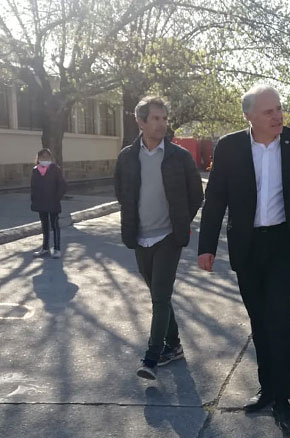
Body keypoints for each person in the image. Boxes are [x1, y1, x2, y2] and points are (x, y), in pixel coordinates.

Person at [197, 85, 290, 434]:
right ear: (250, 116)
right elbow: (215, 199)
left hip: (286, 244)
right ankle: (268, 388)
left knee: (281, 318)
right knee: (259, 319)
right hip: (248, 246)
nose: (278, 116)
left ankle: (284, 399)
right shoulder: (229, 147)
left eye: (280, 109)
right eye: (270, 111)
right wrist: (206, 246)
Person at [114, 96, 204, 380]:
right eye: (156, 118)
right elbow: (121, 192)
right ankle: (174, 345)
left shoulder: (180, 157)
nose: (162, 123)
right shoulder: (127, 157)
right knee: (159, 296)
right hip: (140, 237)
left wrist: (179, 222)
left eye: (164, 118)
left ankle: (152, 357)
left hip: (168, 237)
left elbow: (196, 196)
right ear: (141, 122)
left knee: (160, 296)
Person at [31, 148, 66, 259]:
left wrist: (57, 198)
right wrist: (34, 200)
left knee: (55, 225)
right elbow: (33, 187)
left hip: (53, 203)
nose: (44, 159)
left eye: (46, 157)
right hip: (41, 203)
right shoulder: (35, 170)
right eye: (42, 157)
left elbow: (62, 185)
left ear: (50, 158)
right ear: (38, 159)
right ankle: (45, 248)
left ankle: (57, 249)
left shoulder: (55, 169)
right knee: (44, 226)